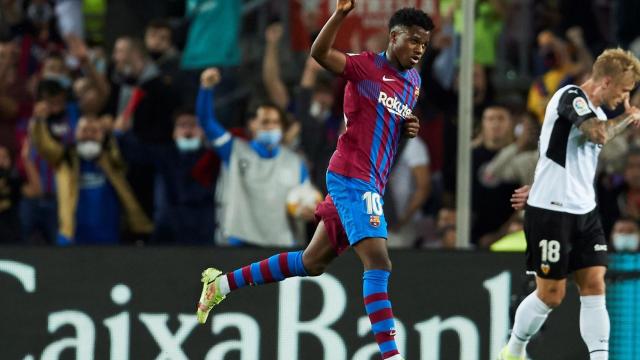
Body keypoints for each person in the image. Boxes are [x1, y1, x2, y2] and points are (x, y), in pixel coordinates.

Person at [196, 4, 433, 360]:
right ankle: (391, 356)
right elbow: (319, 54)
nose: (418, 49)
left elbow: (389, 124)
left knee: (311, 263)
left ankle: (222, 283)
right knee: (379, 262)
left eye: (424, 45)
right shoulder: (365, 66)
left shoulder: (413, 83)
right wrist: (338, 16)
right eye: (413, 41)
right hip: (353, 176)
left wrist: (407, 128)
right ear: (394, 36)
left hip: (372, 182)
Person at [501, 48, 640, 360]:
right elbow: (598, 135)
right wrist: (629, 118)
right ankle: (513, 351)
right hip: (551, 211)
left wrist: (537, 181)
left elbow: (560, 153)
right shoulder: (570, 97)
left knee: (594, 286)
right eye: (625, 89)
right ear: (606, 81)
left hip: (585, 211)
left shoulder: (601, 112)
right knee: (551, 295)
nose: (625, 96)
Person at [196, 68, 313, 247]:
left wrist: (310, 209)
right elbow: (206, 122)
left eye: (275, 123)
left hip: (280, 246)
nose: (271, 127)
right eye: (265, 122)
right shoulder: (233, 150)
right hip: (237, 242)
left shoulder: (296, 163)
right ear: (252, 124)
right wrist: (206, 88)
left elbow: (308, 199)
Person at [30, 108, 153, 245]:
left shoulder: (113, 159)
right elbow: (45, 146)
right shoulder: (65, 160)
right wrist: (38, 122)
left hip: (111, 238)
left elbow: (129, 152)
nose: (88, 134)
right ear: (76, 133)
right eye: (84, 130)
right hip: (72, 237)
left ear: (102, 134)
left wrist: (117, 133)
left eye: (94, 131)